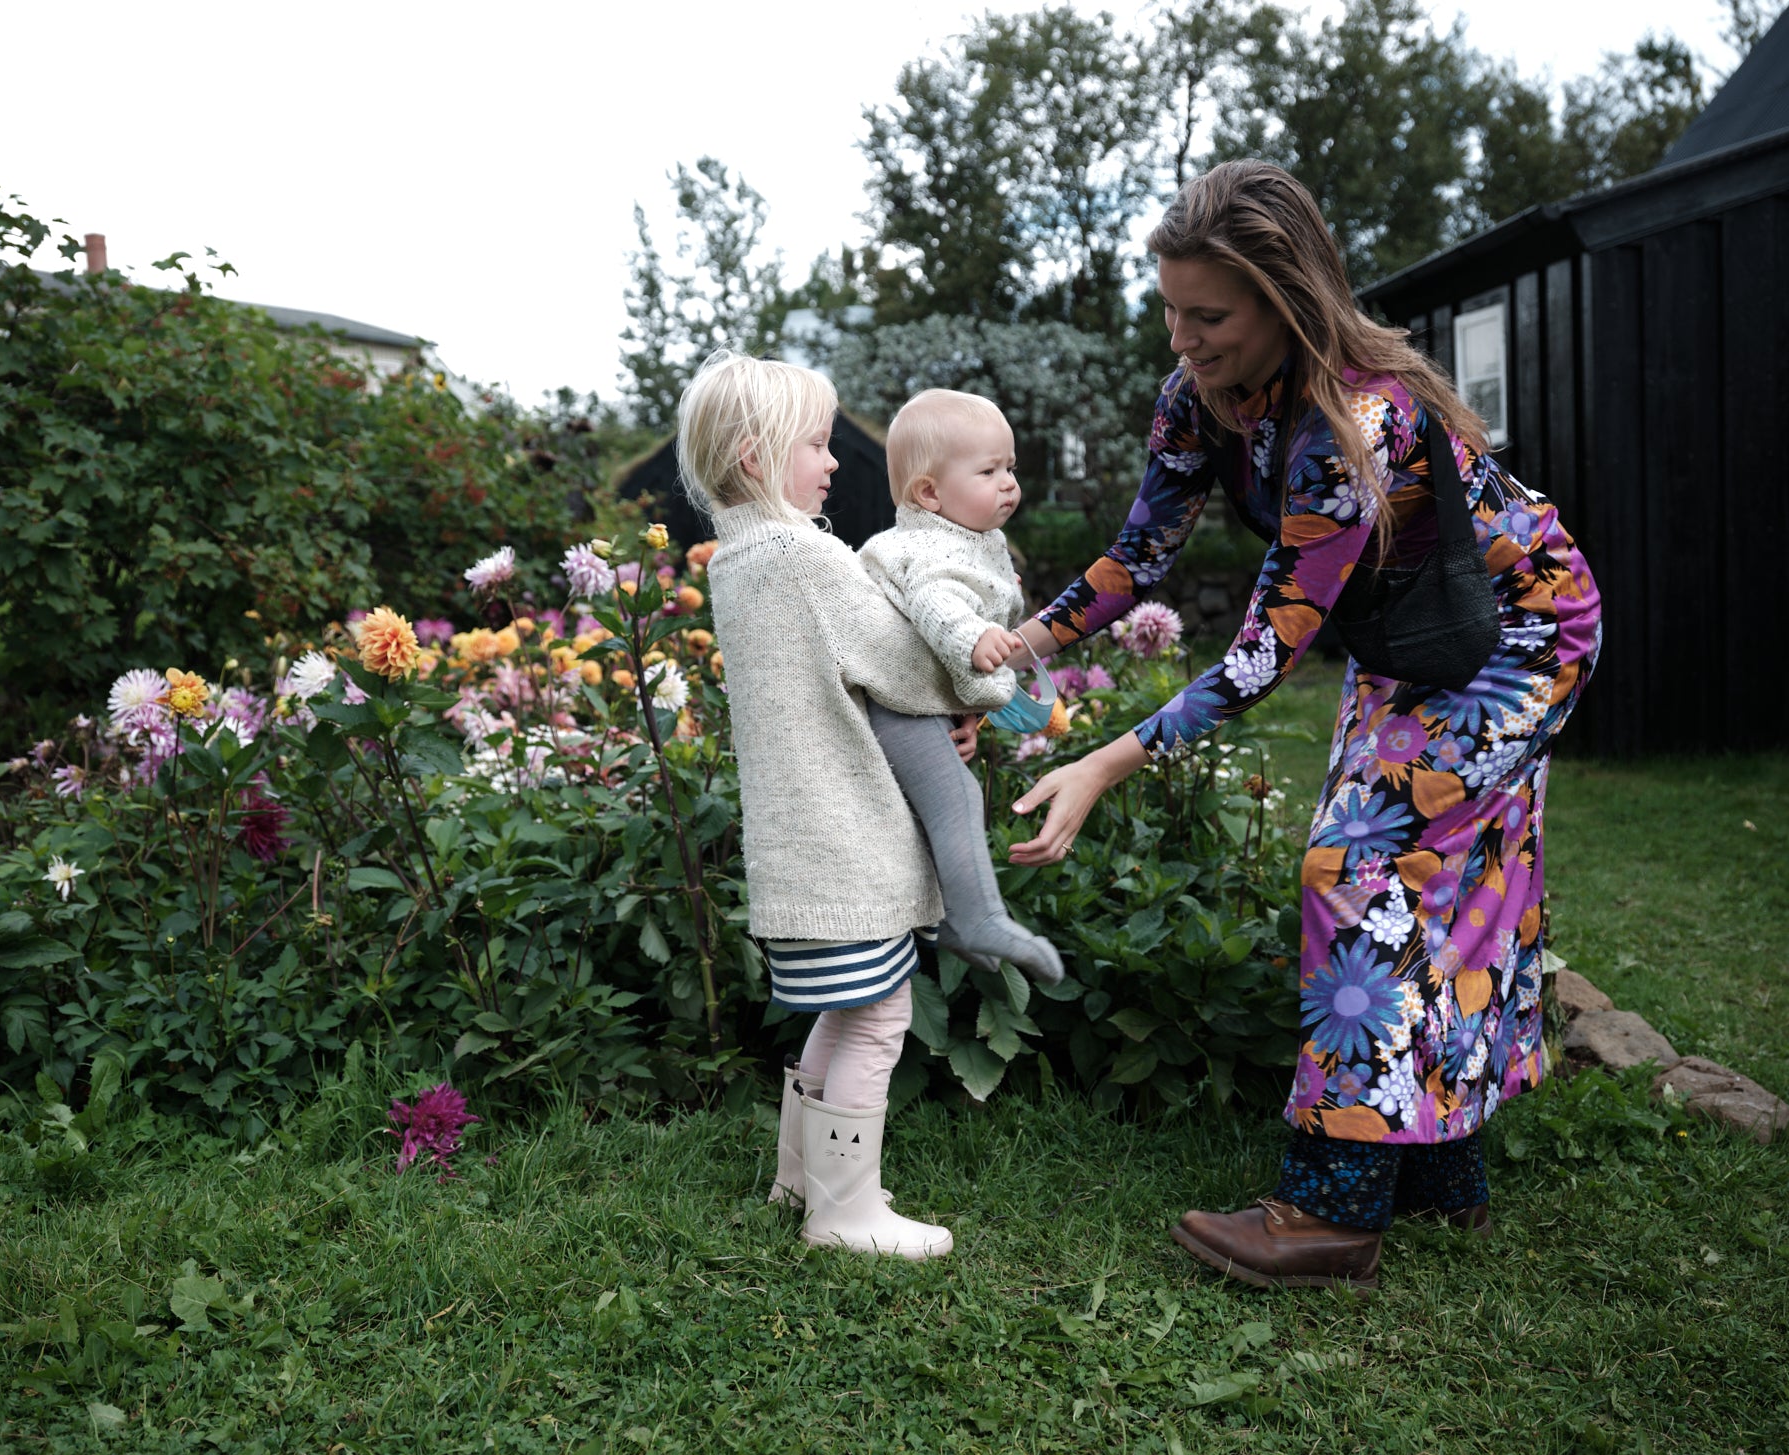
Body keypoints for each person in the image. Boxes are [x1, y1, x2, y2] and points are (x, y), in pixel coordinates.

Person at [1005, 160, 1602, 1293]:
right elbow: (1139, 554)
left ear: (1284, 298)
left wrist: (1106, 762)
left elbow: (1263, 650)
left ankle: (1330, 1210)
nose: (1182, 338)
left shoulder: (1355, 425)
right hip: (1411, 639)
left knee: (1355, 866)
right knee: (1422, 877)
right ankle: (1435, 1175)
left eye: (1209, 315)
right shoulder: (1199, 394)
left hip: (1521, 634)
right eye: (1170, 310)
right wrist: (1021, 644)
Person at [678, 350, 1009, 1260]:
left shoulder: (738, 559)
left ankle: (804, 1182)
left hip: (799, 842)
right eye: (817, 444)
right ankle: (845, 1214)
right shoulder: (802, 553)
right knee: (877, 1019)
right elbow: (898, 663)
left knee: (843, 1009)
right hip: (845, 837)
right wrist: (978, 695)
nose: (832, 463)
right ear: (756, 456)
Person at [858, 389, 1063, 985]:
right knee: (959, 801)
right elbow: (935, 604)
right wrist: (974, 637)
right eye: (989, 471)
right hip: (900, 712)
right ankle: (978, 919)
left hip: (926, 709)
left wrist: (966, 717)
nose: (1008, 484)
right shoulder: (926, 546)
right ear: (929, 494)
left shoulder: (971, 538)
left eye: (1011, 468)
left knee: (945, 807)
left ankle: (957, 919)